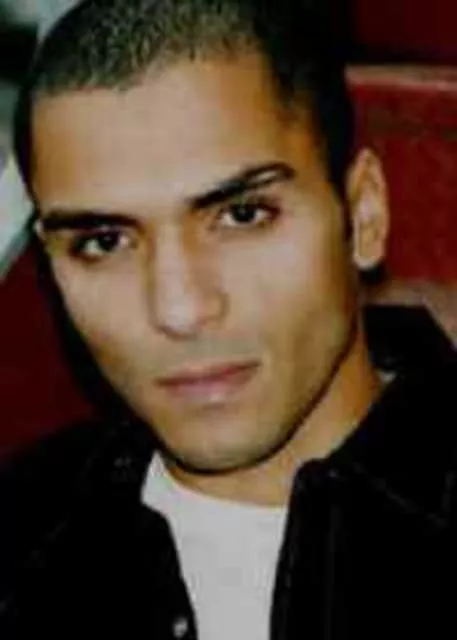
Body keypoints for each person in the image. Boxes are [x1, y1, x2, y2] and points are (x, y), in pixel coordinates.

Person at [2, 0, 457, 638]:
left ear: (363, 215)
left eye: (242, 216)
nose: (180, 309)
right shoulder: (21, 545)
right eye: (105, 241)